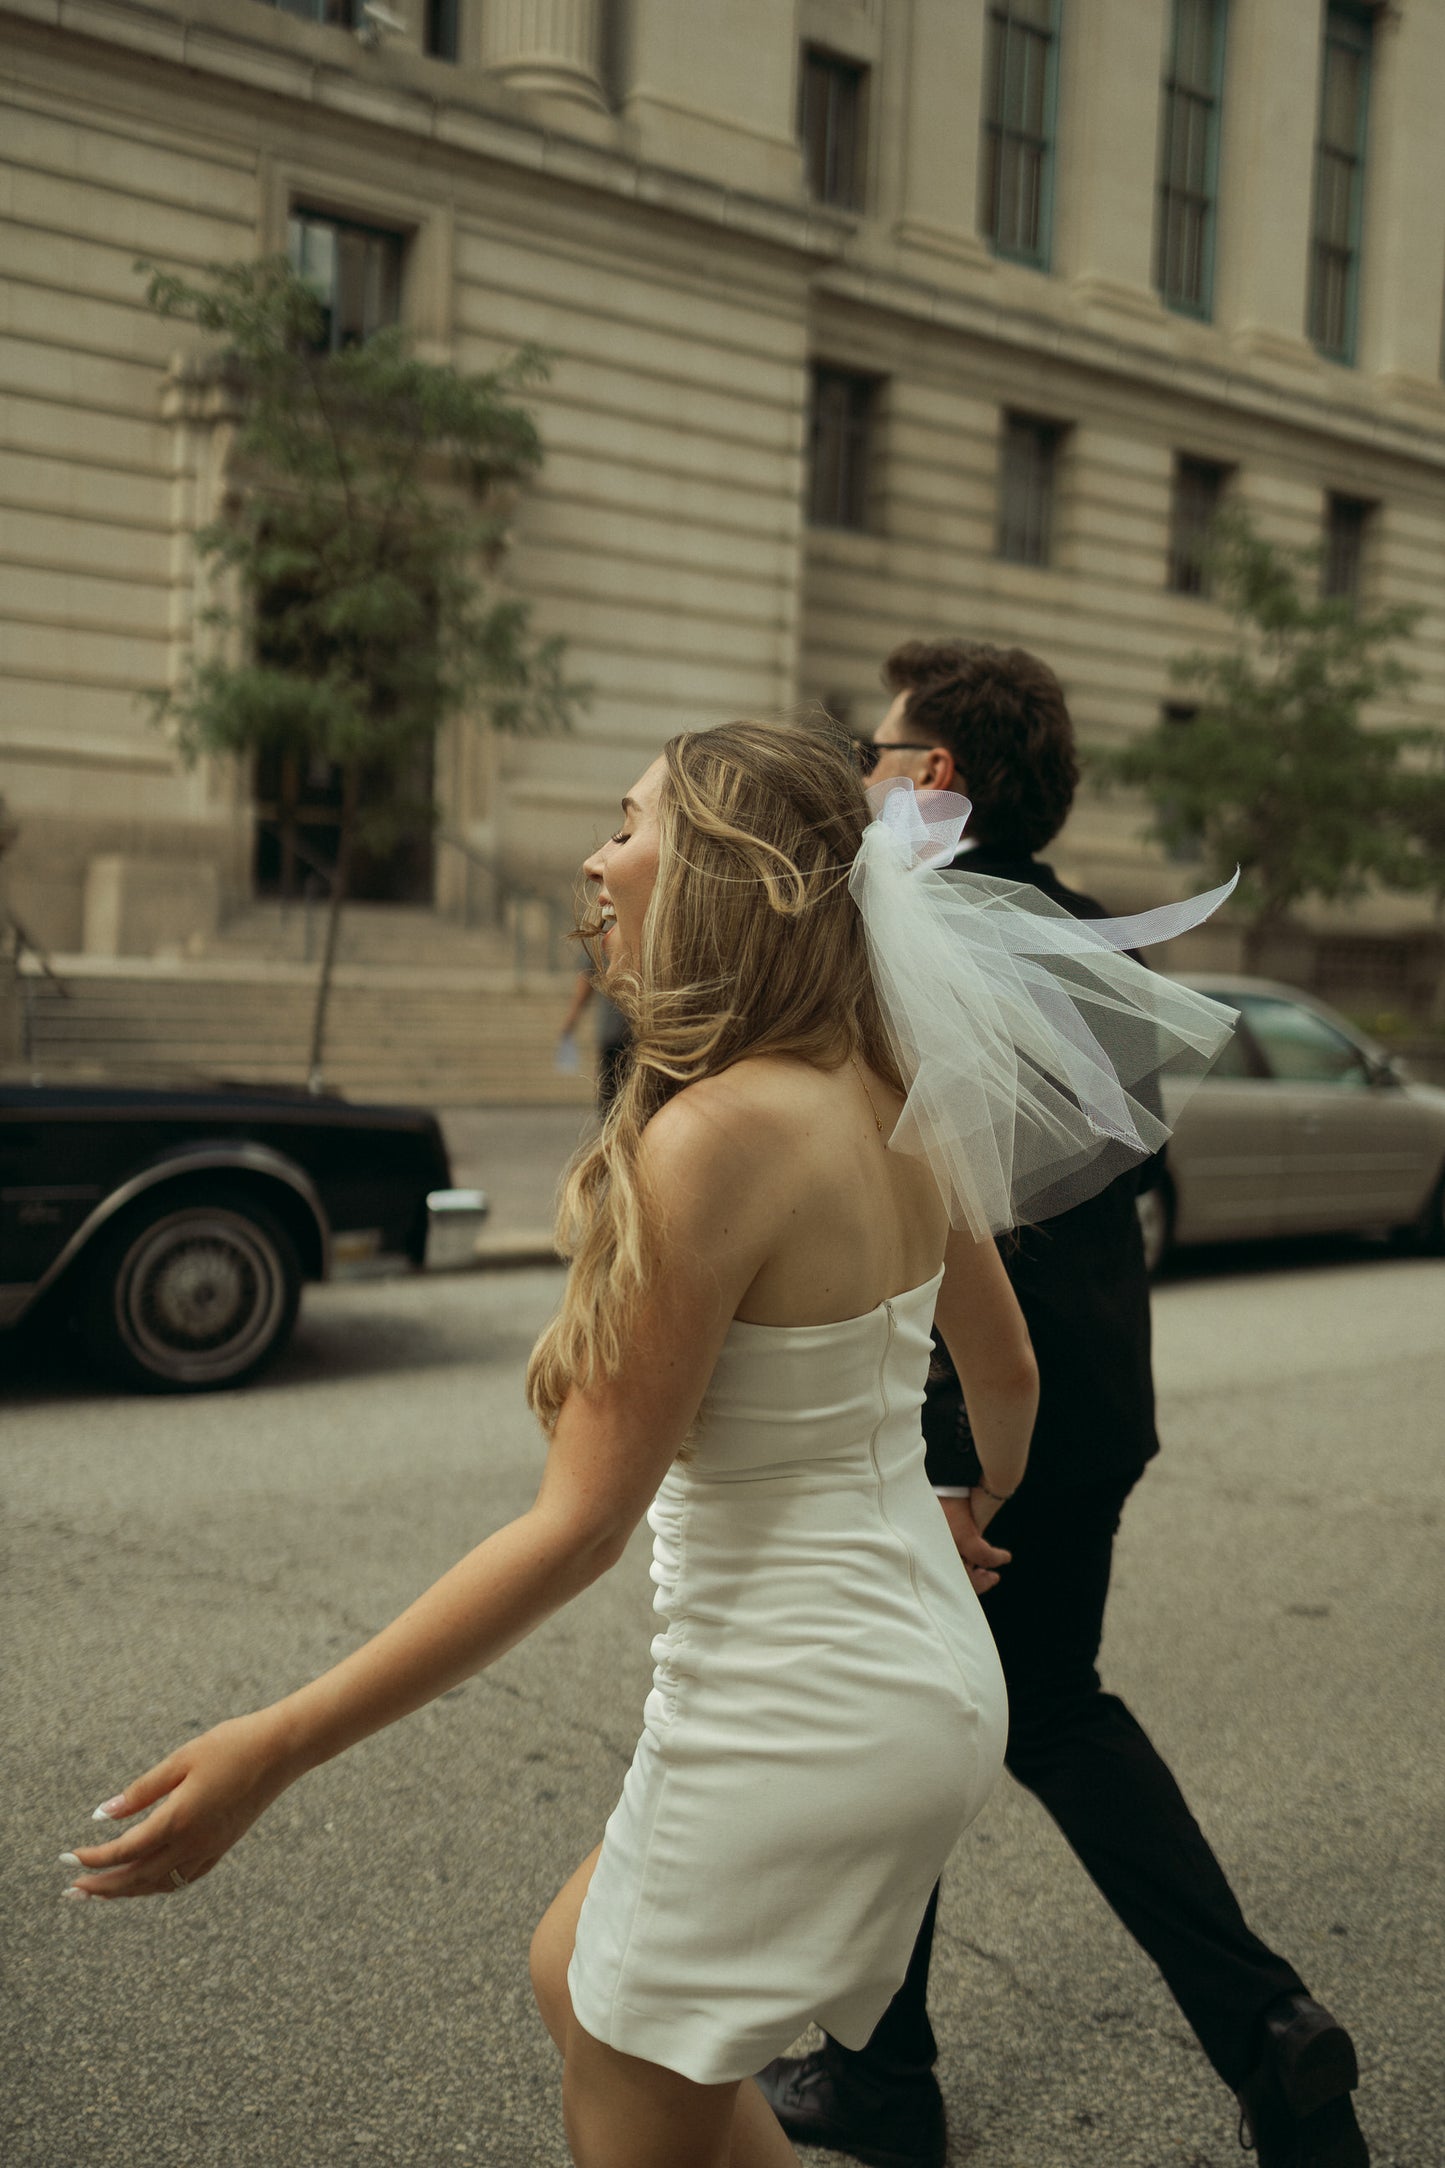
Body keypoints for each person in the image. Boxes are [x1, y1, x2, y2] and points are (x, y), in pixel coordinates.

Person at [55, 720, 1225, 2168]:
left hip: (799, 1708)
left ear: (726, 874)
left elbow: (578, 1529)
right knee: (574, 1971)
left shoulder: (716, 1137)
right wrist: (958, 1495)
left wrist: (274, 1747)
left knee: (622, 2052)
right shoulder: (882, 1092)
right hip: (919, 1678)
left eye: (628, 823)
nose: (595, 858)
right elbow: (1012, 1371)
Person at [757, 644, 1369, 2168]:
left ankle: (886, 2086)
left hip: (973, 1427)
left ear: (935, 776)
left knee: (912, 1730)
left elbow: (937, 1217)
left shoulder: (912, 938)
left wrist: (955, 1473)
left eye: (872, 747)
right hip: (1097, 1408)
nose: (860, 770)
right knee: (1051, 1712)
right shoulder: (1089, 940)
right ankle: (1267, 2034)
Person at [557, 967, 632, 1114]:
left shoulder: (598, 947)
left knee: (614, 1101)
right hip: (621, 1032)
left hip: (621, 1032)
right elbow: (587, 976)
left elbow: (586, 976)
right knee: (616, 1099)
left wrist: (572, 1017)